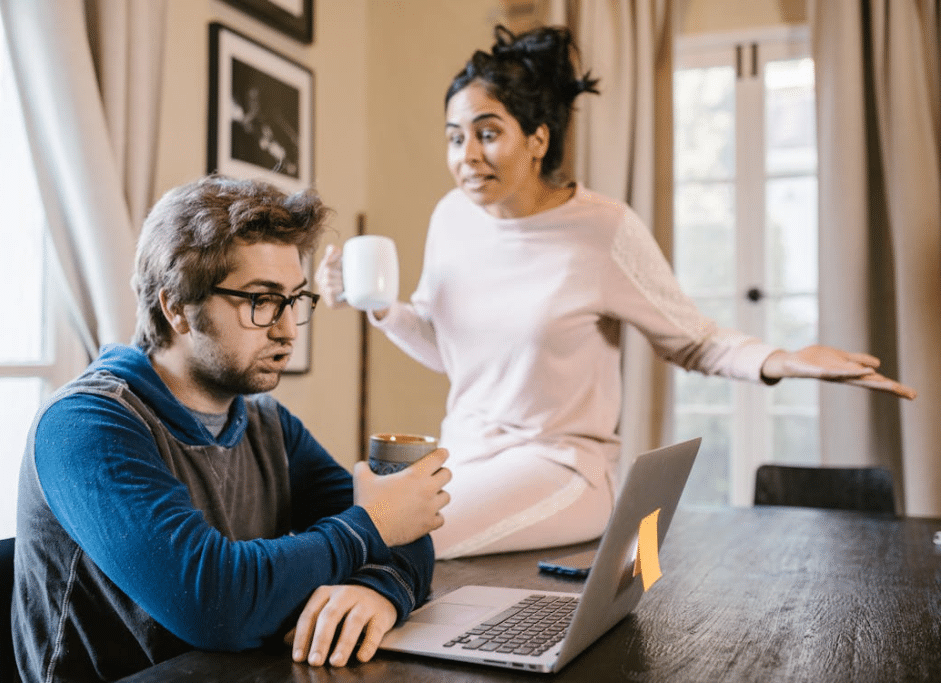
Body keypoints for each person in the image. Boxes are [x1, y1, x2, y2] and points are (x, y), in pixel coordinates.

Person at [315, 25, 916, 561]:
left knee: (401, 535)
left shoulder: (604, 229)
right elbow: (453, 351)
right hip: (465, 455)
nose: (466, 156)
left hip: (563, 468)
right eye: (454, 137)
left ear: (538, 138)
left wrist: (780, 360)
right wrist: (381, 307)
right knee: (346, 513)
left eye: (487, 132)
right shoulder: (452, 217)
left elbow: (696, 341)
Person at [11, 175, 452, 682]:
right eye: (260, 301)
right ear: (176, 307)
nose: (286, 330)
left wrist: (379, 589)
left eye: (293, 301)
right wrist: (373, 526)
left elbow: (408, 527)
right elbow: (215, 600)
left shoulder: (266, 422)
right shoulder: (85, 426)